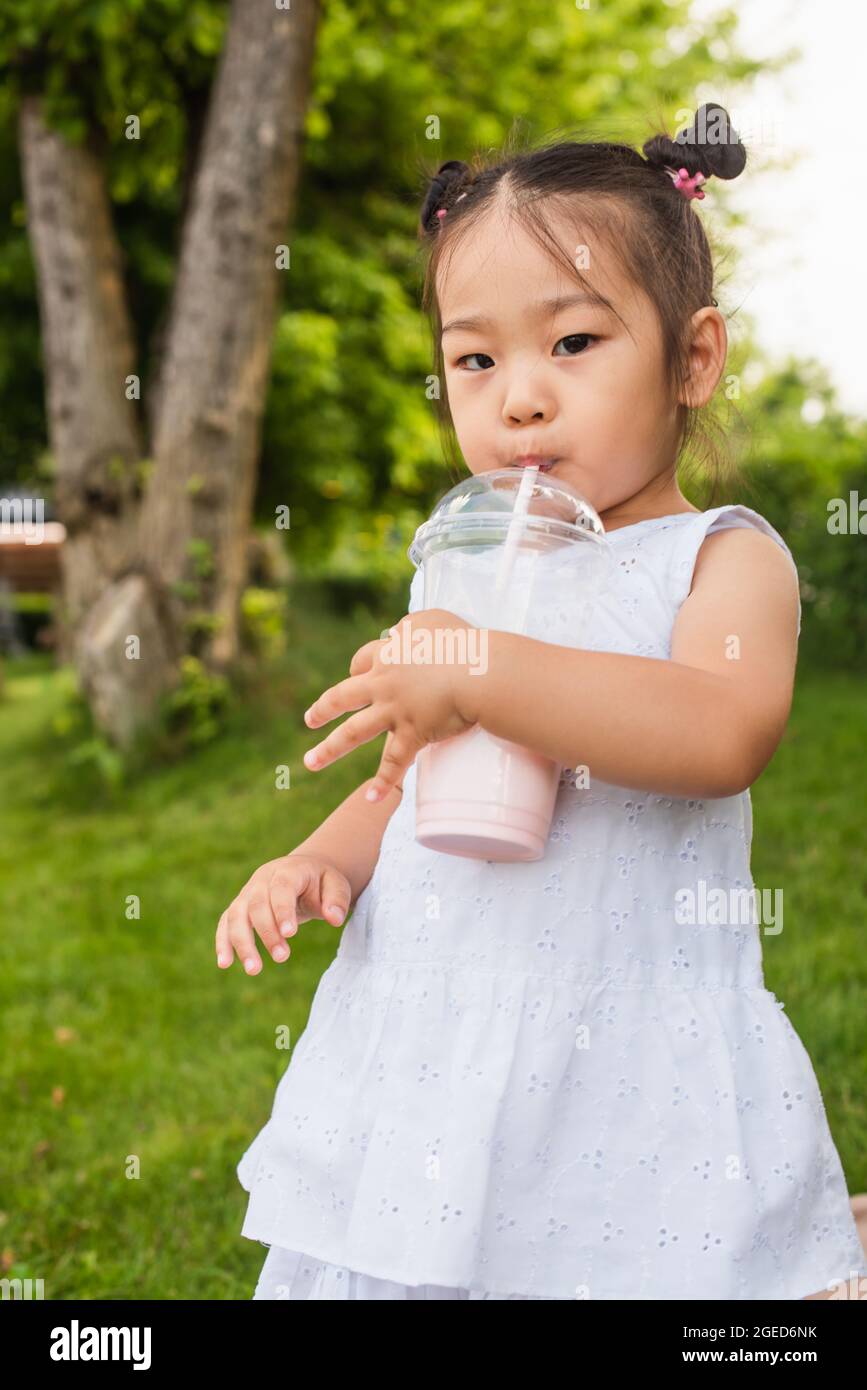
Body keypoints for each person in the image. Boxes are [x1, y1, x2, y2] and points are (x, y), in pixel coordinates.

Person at [219, 104, 867, 1300]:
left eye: (571, 343)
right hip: (434, 1034)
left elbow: (717, 733)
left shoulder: (723, 559)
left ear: (693, 358)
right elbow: (408, 782)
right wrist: (322, 857)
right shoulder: (460, 569)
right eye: (475, 358)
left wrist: (481, 670)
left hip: (624, 1038)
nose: (517, 397)